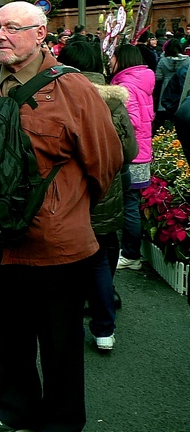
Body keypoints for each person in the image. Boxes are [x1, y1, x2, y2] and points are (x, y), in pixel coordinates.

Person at [0, 1, 122, 432]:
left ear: (40, 34)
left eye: (13, 28)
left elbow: (104, 162)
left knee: (59, 342)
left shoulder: (73, 89)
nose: (0, 35)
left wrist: (63, 208)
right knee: (7, 337)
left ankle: (63, 420)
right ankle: (15, 407)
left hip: (55, 244)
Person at [58, 41, 138, 351]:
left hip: (67, 196)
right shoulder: (114, 101)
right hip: (106, 192)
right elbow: (130, 151)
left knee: (63, 263)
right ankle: (104, 330)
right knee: (100, 261)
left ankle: (63, 328)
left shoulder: (56, 98)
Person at [110, 44, 155, 272]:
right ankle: (131, 251)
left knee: (129, 205)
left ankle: (130, 255)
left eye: (113, 57)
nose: (110, 61)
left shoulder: (126, 84)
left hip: (132, 153)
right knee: (132, 203)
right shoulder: (142, 80)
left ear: (122, 59)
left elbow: (132, 122)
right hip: (143, 151)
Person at [154, 38, 189, 127]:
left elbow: (158, 77)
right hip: (182, 87)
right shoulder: (187, 60)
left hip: (165, 86)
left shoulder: (163, 61)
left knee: (165, 113)